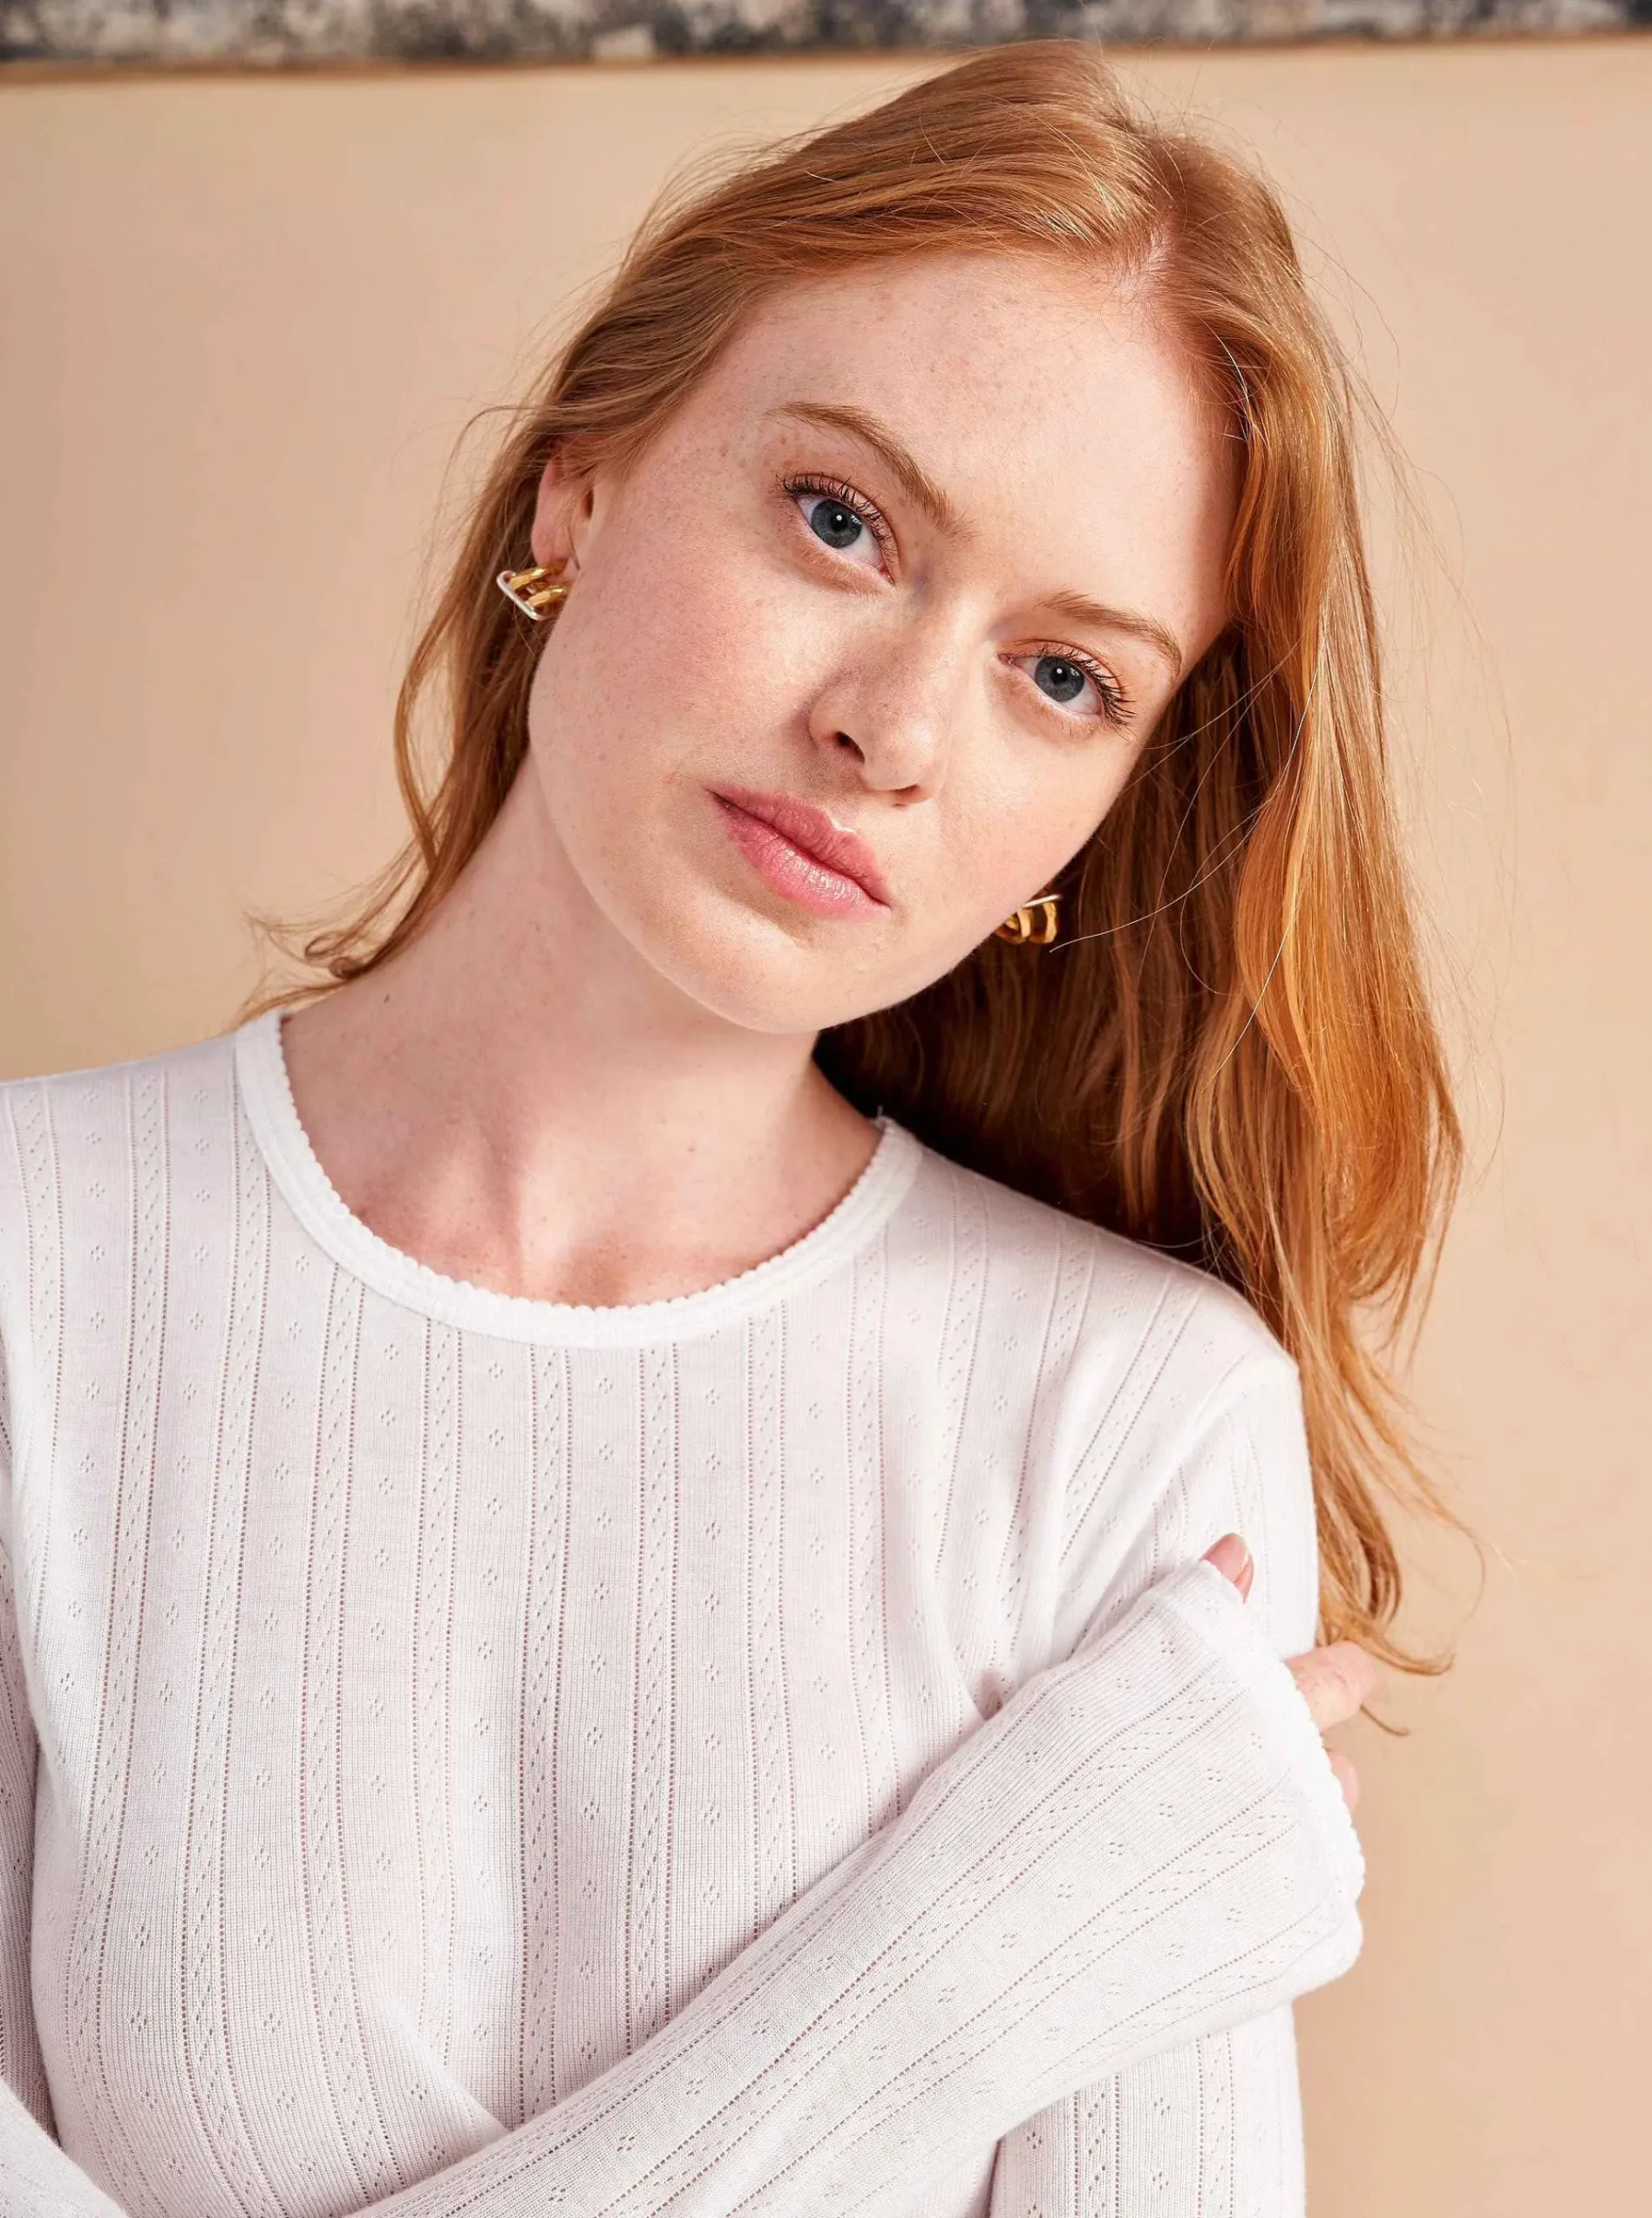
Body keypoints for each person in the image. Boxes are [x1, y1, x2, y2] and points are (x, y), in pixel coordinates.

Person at [0, 38, 1460, 2218]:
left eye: (1062, 675)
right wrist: (975, 1964)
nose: (892, 726)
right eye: (839, 520)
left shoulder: (1129, 1423)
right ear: (577, 485)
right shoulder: (35, 1271)